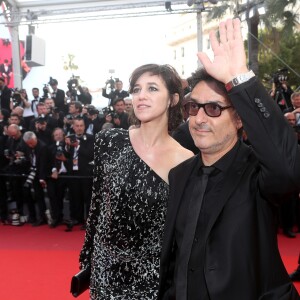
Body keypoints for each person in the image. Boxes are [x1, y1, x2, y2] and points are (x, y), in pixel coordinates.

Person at [158, 18, 300, 300]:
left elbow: (288, 169)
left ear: (238, 118)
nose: (198, 118)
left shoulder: (259, 173)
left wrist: (240, 80)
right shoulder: (179, 174)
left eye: (213, 108)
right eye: (193, 107)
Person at [79, 63, 194, 299]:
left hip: (150, 275)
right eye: (136, 89)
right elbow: (97, 205)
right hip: (104, 269)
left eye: (152, 89)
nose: (141, 96)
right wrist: (87, 257)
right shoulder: (109, 141)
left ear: (172, 99)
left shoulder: (186, 160)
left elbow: (182, 231)